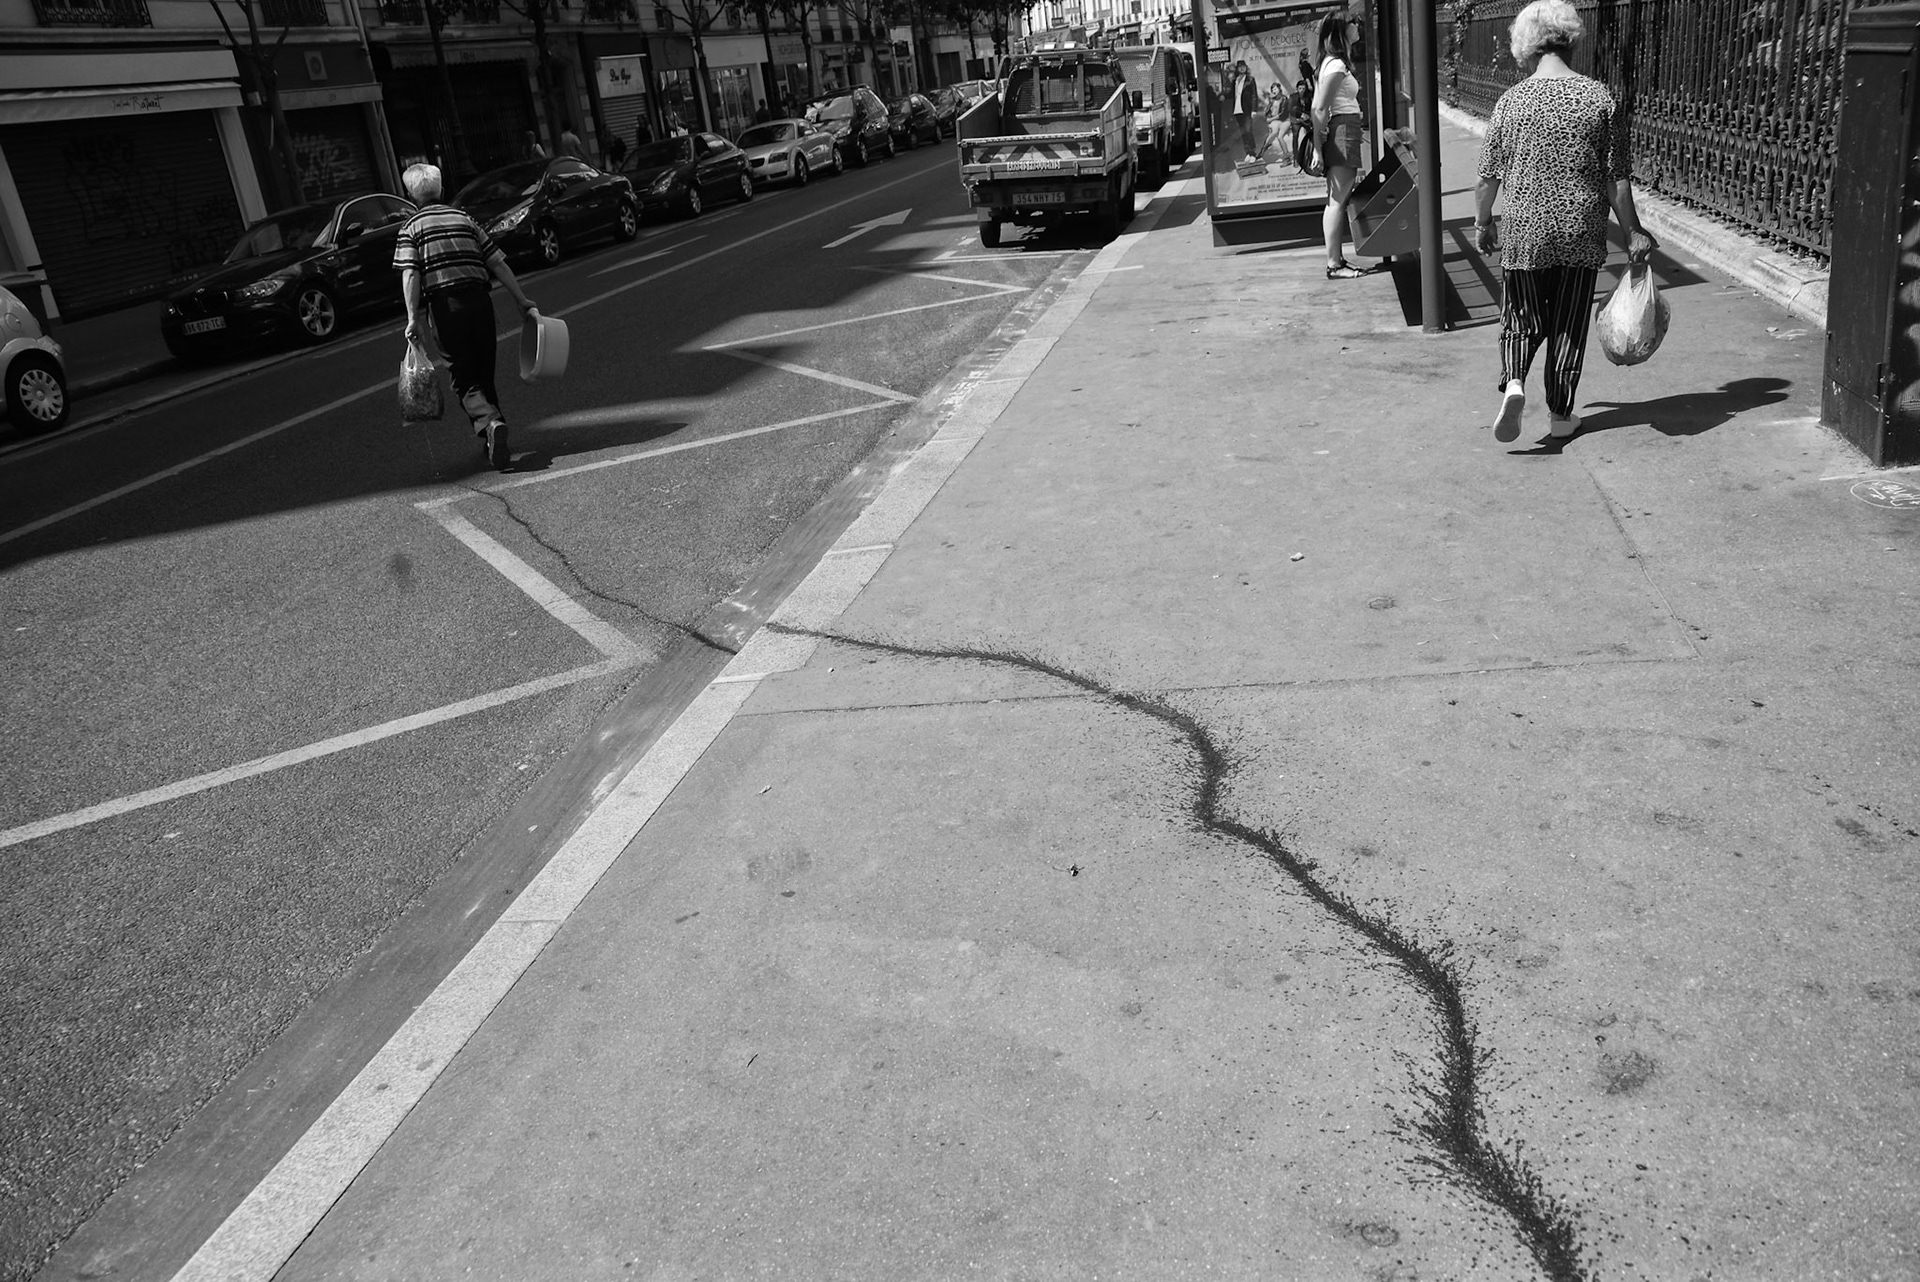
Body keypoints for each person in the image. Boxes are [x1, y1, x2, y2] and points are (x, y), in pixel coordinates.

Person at [1474, 0, 1656, 441]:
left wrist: (1483, 224)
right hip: (1580, 230)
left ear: (1526, 44)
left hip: (1525, 230)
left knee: (1521, 316)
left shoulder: (1511, 102)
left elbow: (1487, 179)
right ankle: (1560, 416)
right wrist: (1633, 230)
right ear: (1572, 39)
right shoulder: (1598, 97)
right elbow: (1617, 181)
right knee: (1568, 322)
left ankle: (1514, 381)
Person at [393, 163, 539, 472]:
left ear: (410, 195)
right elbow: (497, 263)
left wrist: (411, 318)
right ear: (441, 190)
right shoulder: (466, 220)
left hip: (446, 308)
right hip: (481, 302)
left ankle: (491, 423)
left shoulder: (411, 228)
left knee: (463, 377)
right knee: (484, 372)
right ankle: (494, 436)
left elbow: (410, 274)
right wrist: (521, 299)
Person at [1313, 13, 1369, 279]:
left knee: (1336, 199)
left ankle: (1337, 260)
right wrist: (1316, 146)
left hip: (1344, 129)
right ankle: (1334, 264)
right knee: (1337, 200)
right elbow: (1319, 107)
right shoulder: (1335, 66)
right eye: (1353, 22)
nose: (1357, 26)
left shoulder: (1332, 63)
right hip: (1343, 130)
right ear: (1341, 30)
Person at [1229, 60, 1259, 159]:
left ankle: (1253, 152)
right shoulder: (1235, 80)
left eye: (1243, 66)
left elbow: (1254, 95)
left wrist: (1254, 110)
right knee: (1243, 132)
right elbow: (1232, 95)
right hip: (1237, 110)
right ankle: (1247, 152)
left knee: (1248, 130)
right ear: (1237, 69)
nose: (1242, 68)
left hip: (1247, 109)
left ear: (1246, 68)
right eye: (1240, 67)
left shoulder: (1250, 80)